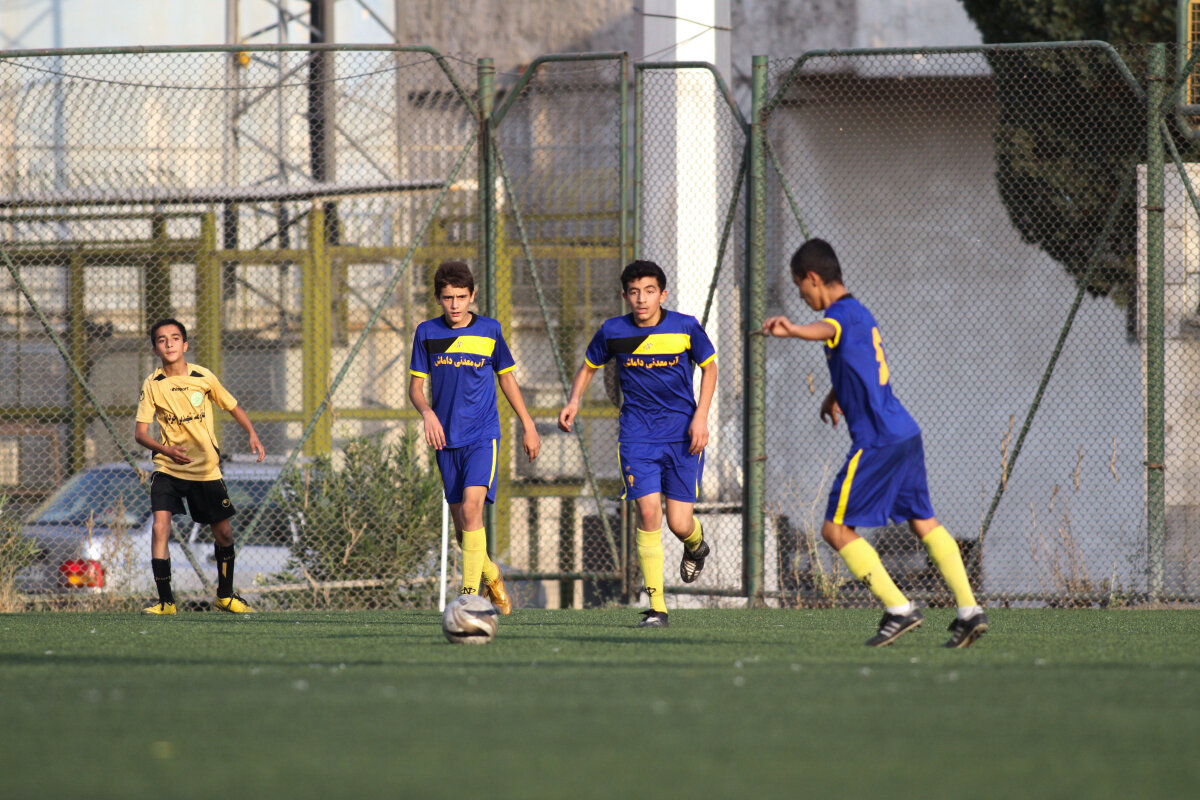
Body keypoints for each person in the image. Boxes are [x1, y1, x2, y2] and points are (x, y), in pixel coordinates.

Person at [762, 238, 987, 648]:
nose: (801, 296)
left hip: (878, 440)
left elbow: (827, 329)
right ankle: (969, 611)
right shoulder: (861, 312)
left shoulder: (838, 315)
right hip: (904, 432)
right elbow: (858, 360)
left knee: (834, 529)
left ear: (813, 278)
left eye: (800, 287)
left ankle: (899, 609)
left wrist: (793, 330)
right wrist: (835, 395)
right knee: (924, 521)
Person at [558, 260, 718, 628]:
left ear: (663, 294)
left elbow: (710, 368)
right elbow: (588, 366)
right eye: (634, 292)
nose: (641, 299)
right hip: (636, 436)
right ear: (625, 296)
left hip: (682, 436)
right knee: (648, 514)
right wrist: (573, 402)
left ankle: (696, 544)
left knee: (679, 522)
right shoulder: (612, 331)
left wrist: (701, 416)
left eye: (649, 291)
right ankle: (657, 608)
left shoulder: (685, 327)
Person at [408, 260, 541, 614]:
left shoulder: (490, 330)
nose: (454, 305)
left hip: (482, 436)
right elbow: (416, 388)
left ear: (472, 295)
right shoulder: (426, 333)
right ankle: (492, 576)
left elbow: (507, 378)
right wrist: (427, 413)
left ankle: (467, 599)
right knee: (463, 531)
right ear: (437, 298)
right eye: (447, 298)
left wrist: (528, 424)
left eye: (461, 297)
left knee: (471, 510)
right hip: (445, 441)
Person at [134, 318, 266, 615]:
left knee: (225, 535)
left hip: (205, 470)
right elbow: (140, 434)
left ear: (185, 345)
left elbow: (232, 406)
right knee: (160, 527)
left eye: (174, 338)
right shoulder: (153, 384)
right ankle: (166, 602)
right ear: (155, 349)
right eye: (161, 340)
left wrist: (252, 433)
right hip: (168, 468)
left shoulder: (203, 377)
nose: (168, 343)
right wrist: (166, 450)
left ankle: (225, 596)